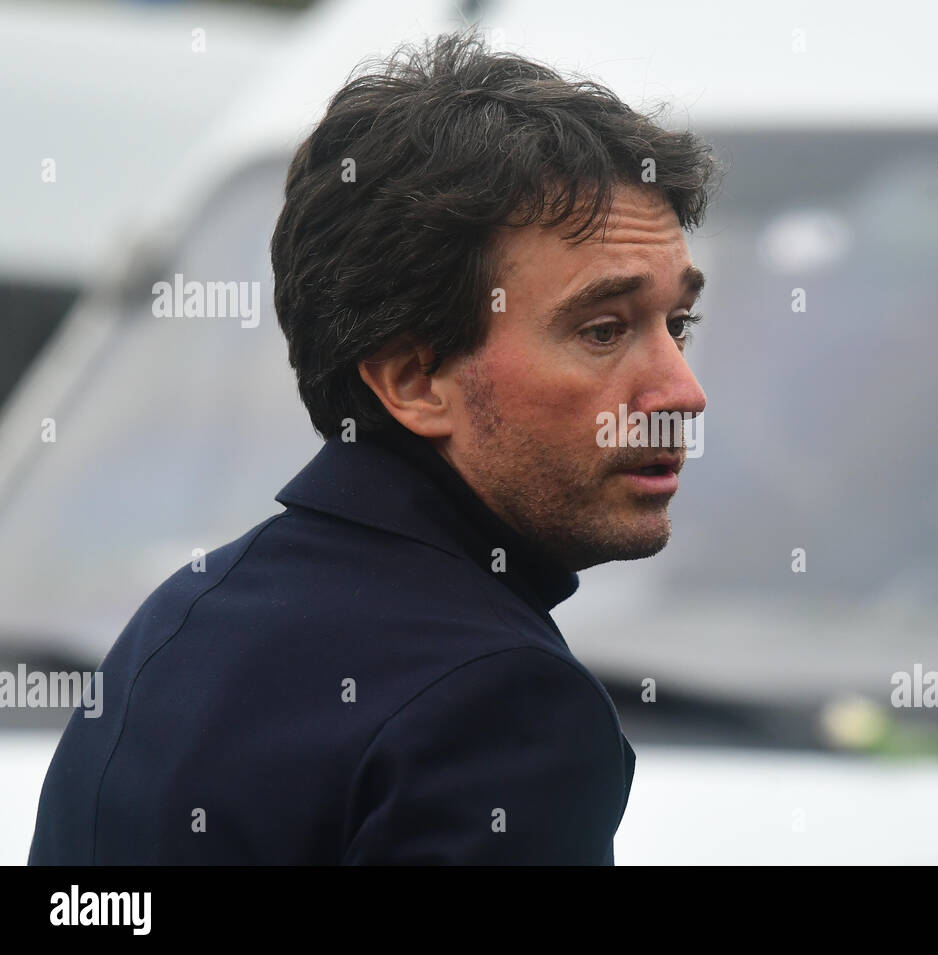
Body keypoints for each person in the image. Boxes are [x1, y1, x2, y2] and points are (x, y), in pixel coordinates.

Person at [28, 28, 720, 865]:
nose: (682, 391)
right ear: (414, 379)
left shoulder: (183, 617)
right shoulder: (503, 703)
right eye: (604, 329)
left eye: (677, 324)